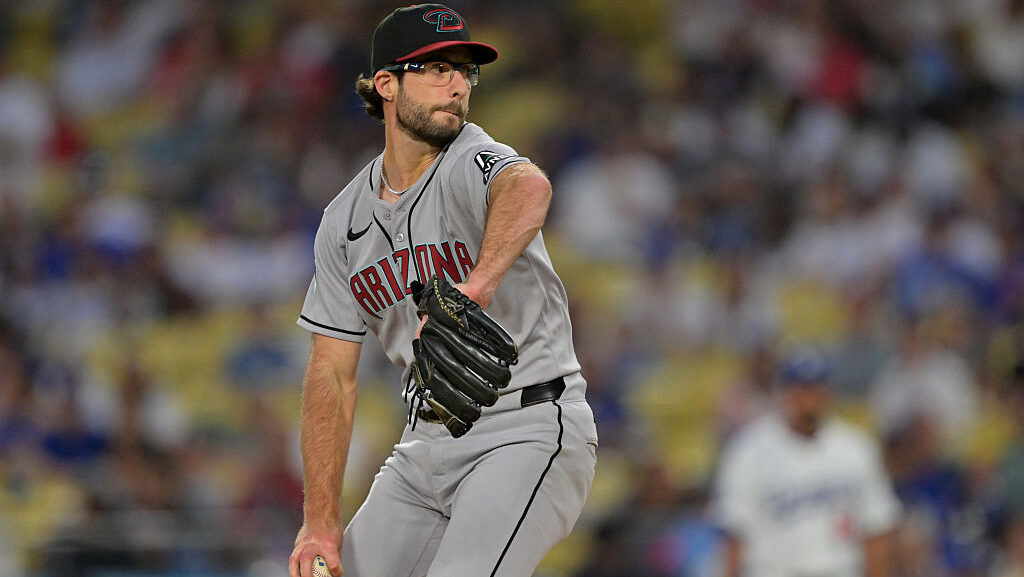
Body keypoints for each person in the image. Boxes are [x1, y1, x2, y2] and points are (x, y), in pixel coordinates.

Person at [287, 5, 598, 577]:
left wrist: (476, 286)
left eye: (465, 70)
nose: (458, 85)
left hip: (525, 428)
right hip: (421, 448)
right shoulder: (343, 220)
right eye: (437, 69)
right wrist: (320, 520)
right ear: (386, 84)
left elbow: (528, 186)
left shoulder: (469, 160)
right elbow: (332, 371)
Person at [710, 344, 902, 577]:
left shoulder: (856, 447)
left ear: (828, 392)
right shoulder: (749, 451)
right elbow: (734, 533)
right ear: (784, 392)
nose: (808, 397)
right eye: (800, 388)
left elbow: (876, 528)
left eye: (815, 387)